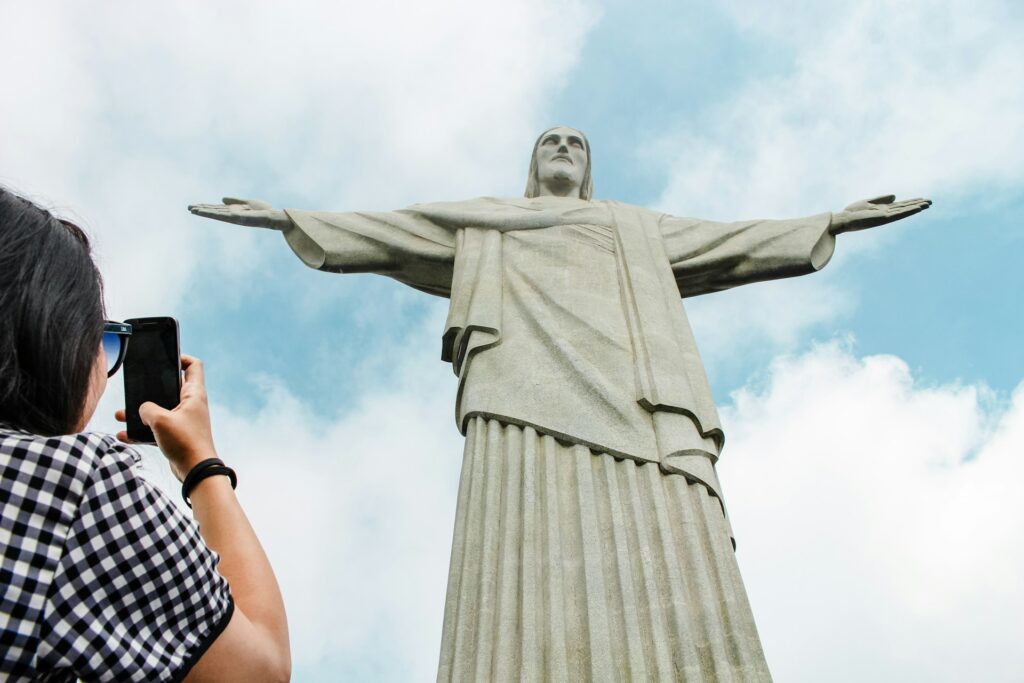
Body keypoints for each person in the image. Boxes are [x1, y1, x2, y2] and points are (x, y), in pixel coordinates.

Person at [190, 126, 930, 681]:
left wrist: (827, 222)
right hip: (518, 399)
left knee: (671, 545)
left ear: (588, 166)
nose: (565, 148)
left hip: (643, 403)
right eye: (552, 140)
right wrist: (291, 217)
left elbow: (731, 242)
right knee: (522, 539)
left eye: (576, 142)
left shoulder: (635, 228)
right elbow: (395, 229)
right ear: (534, 164)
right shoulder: (484, 221)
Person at [0, 187, 290, 682]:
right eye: (103, 337)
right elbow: (257, 670)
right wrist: (201, 463)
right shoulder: (69, 487)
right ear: (50, 334)